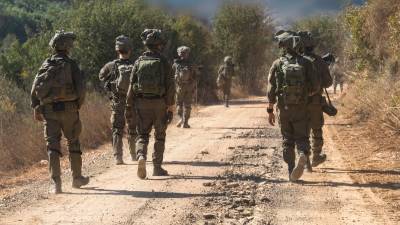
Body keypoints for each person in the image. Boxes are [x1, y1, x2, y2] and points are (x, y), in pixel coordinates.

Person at [31, 30, 89, 193]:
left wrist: (36, 107)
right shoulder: (71, 65)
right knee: (73, 142)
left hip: (49, 112)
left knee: (52, 147)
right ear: (67, 46)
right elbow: (81, 89)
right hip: (70, 109)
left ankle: (56, 184)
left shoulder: (46, 64)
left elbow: (34, 89)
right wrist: (77, 105)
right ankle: (77, 179)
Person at [266, 30, 320, 181]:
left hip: (283, 108)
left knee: (287, 139)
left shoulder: (277, 64)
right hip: (301, 107)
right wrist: (305, 96)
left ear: (284, 47)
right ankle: (302, 154)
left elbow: (271, 89)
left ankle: (291, 171)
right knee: (302, 137)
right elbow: (316, 86)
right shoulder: (307, 63)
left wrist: (270, 110)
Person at [126, 29, 175, 179]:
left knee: (142, 134)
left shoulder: (138, 61)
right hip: (159, 103)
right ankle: (157, 168)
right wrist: (170, 106)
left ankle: (141, 156)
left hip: (141, 103)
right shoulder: (164, 61)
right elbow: (170, 85)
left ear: (146, 44)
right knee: (160, 136)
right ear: (159, 45)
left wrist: (129, 105)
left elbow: (131, 84)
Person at [99, 35, 137, 165]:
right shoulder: (135, 64)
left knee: (117, 129)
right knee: (133, 128)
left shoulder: (110, 65)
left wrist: (110, 87)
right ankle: (134, 155)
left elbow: (101, 76)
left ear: (117, 50)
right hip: (132, 102)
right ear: (129, 50)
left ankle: (118, 157)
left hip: (117, 101)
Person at [298, 31, 333, 171]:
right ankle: (316, 156)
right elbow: (328, 83)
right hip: (315, 102)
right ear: (313, 45)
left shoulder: (294, 60)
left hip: (297, 103)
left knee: (301, 131)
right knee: (316, 130)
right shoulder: (319, 61)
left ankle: (303, 156)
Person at [173, 46, 198, 128]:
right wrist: (194, 86)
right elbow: (196, 76)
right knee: (187, 105)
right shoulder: (192, 64)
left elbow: (172, 75)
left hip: (179, 87)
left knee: (178, 104)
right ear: (187, 53)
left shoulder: (176, 64)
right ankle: (185, 123)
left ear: (179, 54)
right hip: (189, 87)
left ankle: (180, 118)